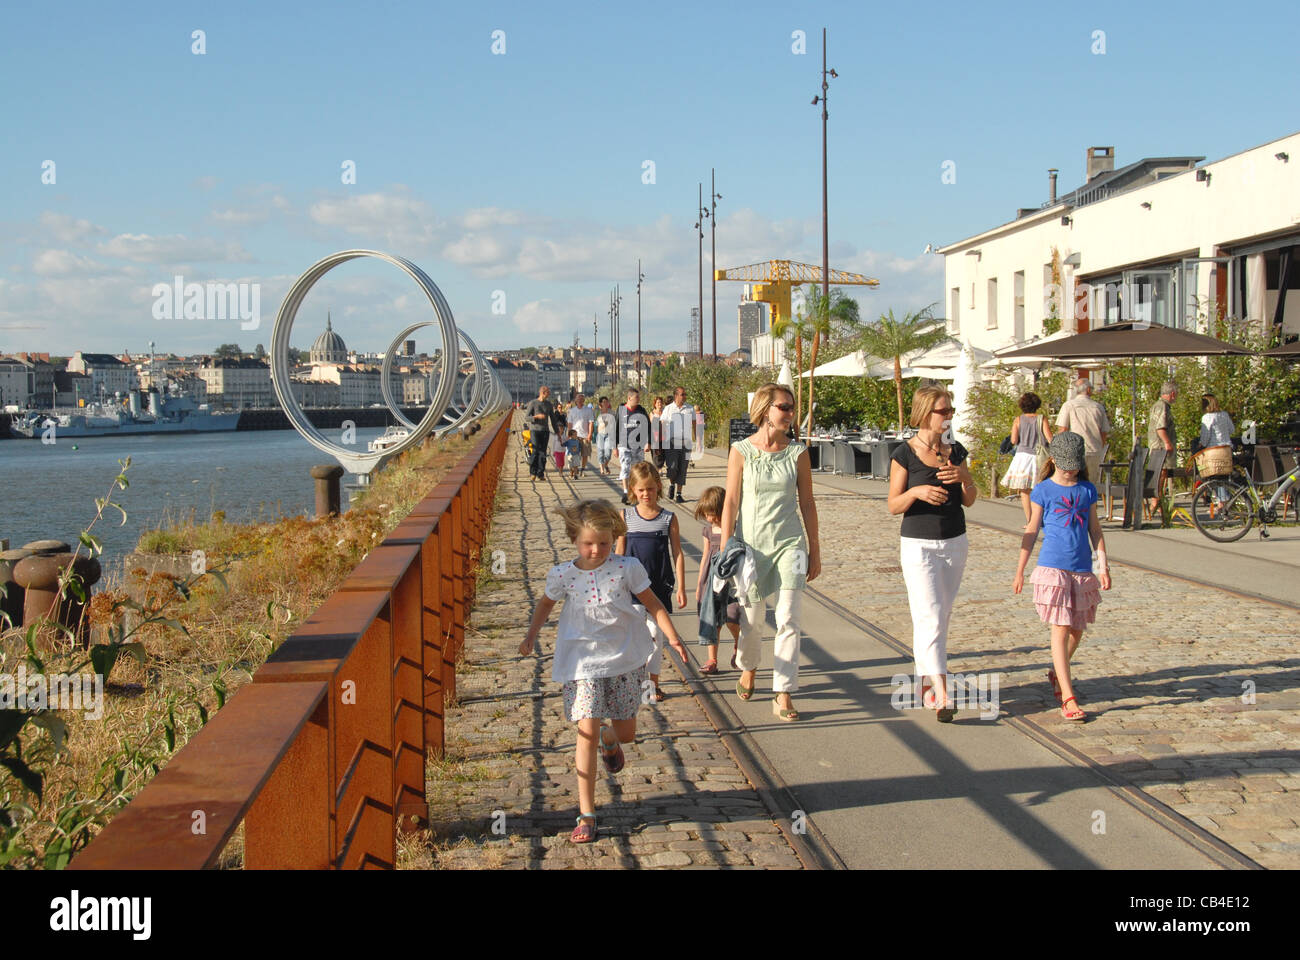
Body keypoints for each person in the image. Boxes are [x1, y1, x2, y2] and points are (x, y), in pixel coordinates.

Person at [519, 500, 687, 843]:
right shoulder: (563, 574)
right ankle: (587, 814)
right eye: (588, 543)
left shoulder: (628, 567)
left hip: (623, 661)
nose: (596, 550)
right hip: (583, 664)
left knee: (624, 733)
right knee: (586, 732)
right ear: (574, 539)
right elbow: (546, 605)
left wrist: (673, 637)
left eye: (604, 543)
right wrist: (531, 634)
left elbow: (653, 604)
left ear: (615, 539)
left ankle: (611, 741)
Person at [719, 383, 821, 721]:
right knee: (752, 621)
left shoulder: (798, 453)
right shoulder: (741, 451)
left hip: (789, 543)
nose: (790, 414)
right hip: (751, 547)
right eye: (784, 407)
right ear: (766, 410)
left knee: (789, 618)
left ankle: (783, 691)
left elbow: (806, 502)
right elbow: (731, 500)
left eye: (792, 408)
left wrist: (814, 548)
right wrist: (724, 547)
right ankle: (748, 666)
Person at [888, 385, 978, 723]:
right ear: (926, 413)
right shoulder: (904, 454)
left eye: (951, 410)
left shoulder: (956, 451)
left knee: (939, 617)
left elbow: (970, 498)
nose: (950, 415)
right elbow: (893, 505)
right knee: (930, 616)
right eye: (944, 410)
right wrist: (917, 490)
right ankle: (943, 694)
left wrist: (964, 476)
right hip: (919, 544)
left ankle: (924, 684)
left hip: (955, 540)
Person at [1012, 432, 1112, 722]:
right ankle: (1068, 697)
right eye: (1065, 464)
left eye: (1075, 464)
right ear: (1053, 460)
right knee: (1060, 627)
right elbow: (1031, 531)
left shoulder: (1087, 490)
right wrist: (1020, 569)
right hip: (1052, 567)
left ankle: (1057, 670)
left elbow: (1095, 531)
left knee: (1077, 630)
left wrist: (1102, 565)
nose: (1070, 470)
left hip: (1081, 569)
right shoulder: (1043, 490)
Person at [615, 461, 686, 702]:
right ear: (633, 490)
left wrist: (681, 587)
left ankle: (652, 685)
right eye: (641, 490)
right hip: (631, 588)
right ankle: (633, 681)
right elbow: (619, 552)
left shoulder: (668, 518)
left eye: (651, 489)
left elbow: (677, 552)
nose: (646, 494)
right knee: (634, 636)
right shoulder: (626, 516)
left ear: (658, 487)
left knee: (657, 636)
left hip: (659, 585)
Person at [694, 485, 741, 675]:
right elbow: (705, 557)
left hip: (731, 580)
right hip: (711, 578)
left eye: (713, 513)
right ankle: (712, 659)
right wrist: (700, 584)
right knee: (712, 619)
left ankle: (739, 646)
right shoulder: (708, 531)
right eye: (707, 514)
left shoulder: (735, 528)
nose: (710, 518)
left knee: (732, 617)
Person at [1002, 392, 1053, 525]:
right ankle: (1041, 517)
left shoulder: (1018, 419)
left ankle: (1030, 520)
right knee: (1040, 487)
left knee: (1025, 491)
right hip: (1038, 456)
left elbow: (1013, 440)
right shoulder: (1042, 419)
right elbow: (1049, 438)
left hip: (1022, 457)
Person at [1055, 377, 1111, 481]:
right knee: (1092, 483)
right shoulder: (1098, 407)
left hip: (1075, 450)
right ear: (1088, 390)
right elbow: (1104, 432)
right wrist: (1100, 447)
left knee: (1074, 482)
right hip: (1095, 450)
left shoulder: (1068, 405)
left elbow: (1062, 430)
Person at [616, 388, 652, 505]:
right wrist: (614, 447)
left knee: (639, 470)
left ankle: (637, 492)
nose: (638, 399)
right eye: (636, 397)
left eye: (639, 397)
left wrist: (648, 442)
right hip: (624, 445)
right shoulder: (621, 410)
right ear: (629, 398)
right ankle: (626, 492)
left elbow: (648, 427)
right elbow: (615, 428)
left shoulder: (641, 410)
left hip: (638, 445)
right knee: (626, 467)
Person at [661, 386, 695, 503]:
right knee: (672, 466)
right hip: (671, 442)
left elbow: (695, 424)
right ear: (676, 396)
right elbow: (662, 423)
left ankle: (679, 494)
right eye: (682, 394)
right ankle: (671, 484)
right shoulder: (668, 409)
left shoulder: (690, 409)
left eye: (685, 394)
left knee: (682, 468)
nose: (685, 396)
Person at [522, 385, 555, 481]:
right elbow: (526, 417)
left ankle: (541, 473)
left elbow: (553, 419)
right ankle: (533, 472)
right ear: (543, 393)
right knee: (535, 450)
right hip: (535, 430)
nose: (549, 395)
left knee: (543, 452)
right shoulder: (533, 403)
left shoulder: (549, 405)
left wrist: (557, 432)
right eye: (548, 393)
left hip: (545, 431)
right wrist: (536, 417)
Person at [566, 393, 595, 475]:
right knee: (573, 454)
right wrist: (569, 434)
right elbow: (570, 424)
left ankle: (582, 469)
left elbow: (591, 423)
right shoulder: (572, 411)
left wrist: (590, 434)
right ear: (575, 400)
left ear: (584, 400)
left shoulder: (588, 410)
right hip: (574, 436)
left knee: (585, 454)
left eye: (581, 399)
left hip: (585, 436)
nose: (580, 400)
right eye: (578, 399)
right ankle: (574, 468)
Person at [594, 396, 616, 475]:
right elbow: (594, 423)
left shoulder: (612, 412)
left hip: (609, 435)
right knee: (600, 453)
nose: (606, 403)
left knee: (608, 454)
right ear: (600, 403)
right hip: (600, 434)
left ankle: (605, 465)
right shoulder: (597, 413)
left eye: (607, 402)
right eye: (604, 402)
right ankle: (602, 469)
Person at [649, 396, 667, 470]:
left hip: (664, 436)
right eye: (658, 402)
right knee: (656, 454)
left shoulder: (665, 412)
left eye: (661, 402)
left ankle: (660, 467)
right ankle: (657, 468)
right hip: (655, 437)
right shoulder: (652, 413)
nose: (659, 404)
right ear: (655, 404)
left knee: (663, 454)